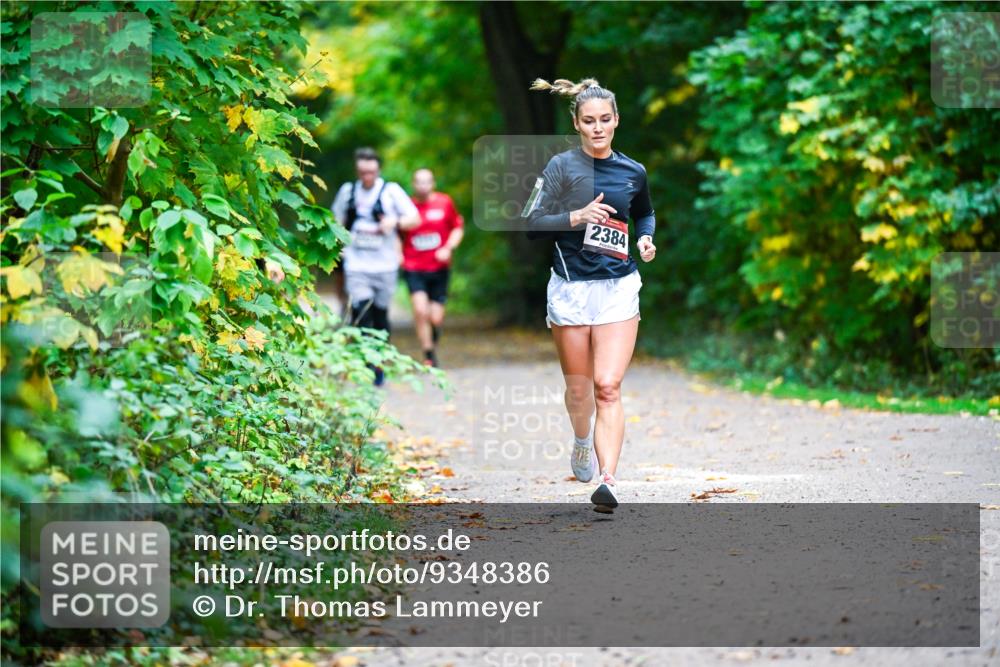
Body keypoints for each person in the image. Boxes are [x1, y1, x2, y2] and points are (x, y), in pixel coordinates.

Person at [524, 77, 657, 513]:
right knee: (580, 390)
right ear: (576, 124)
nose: (598, 127)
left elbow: (645, 214)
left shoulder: (633, 171)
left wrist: (645, 240)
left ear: (616, 121)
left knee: (608, 386)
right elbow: (530, 223)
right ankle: (582, 439)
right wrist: (576, 216)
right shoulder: (561, 167)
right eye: (589, 121)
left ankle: (608, 480)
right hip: (571, 288)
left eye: (605, 119)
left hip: (618, 287)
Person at [332, 147, 421, 385]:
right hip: (356, 264)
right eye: (362, 172)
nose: (367, 177)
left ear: (378, 169)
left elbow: (415, 219)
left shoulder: (391, 192)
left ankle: (380, 360)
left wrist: (395, 221)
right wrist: (338, 243)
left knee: (380, 315)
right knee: (361, 311)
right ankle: (368, 363)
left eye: (371, 172)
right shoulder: (348, 192)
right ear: (357, 170)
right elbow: (335, 221)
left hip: (385, 265)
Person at [399, 168, 465, 367]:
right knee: (420, 311)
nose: (423, 186)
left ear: (433, 183)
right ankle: (428, 354)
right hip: (413, 267)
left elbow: (458, 228)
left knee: (435, 318)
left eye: (427, 182)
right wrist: (398, 255)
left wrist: (448, 247)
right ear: (413, 184)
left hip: (439, 268)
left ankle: (433, 333)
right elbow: (396, 233)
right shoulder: (407, 207)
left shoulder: (444, 203)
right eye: (419, 182)